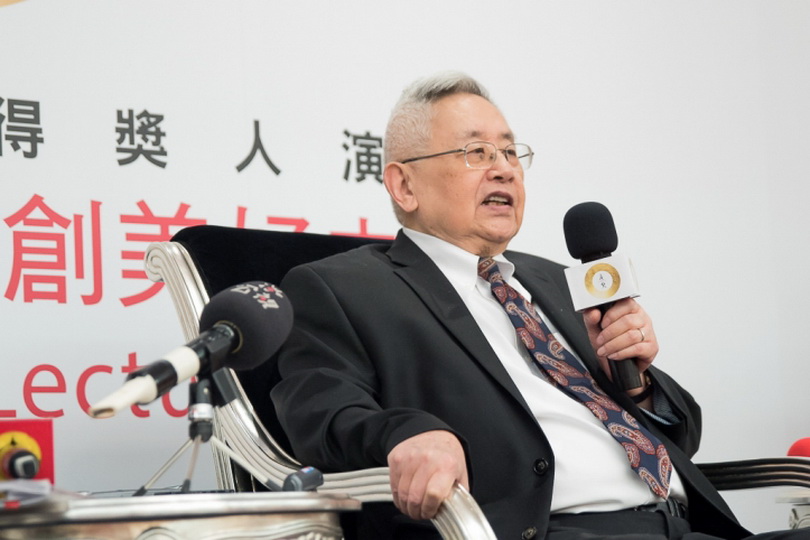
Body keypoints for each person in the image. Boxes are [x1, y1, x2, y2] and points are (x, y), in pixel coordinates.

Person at [270, 72, 807, 539]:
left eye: (510, 152)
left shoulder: (552, 280)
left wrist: (638, 386)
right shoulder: (342, 288)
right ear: (403, 184)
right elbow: (321, 413)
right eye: (476, 153)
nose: (504, 169)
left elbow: (683, 435)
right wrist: (405, 433)